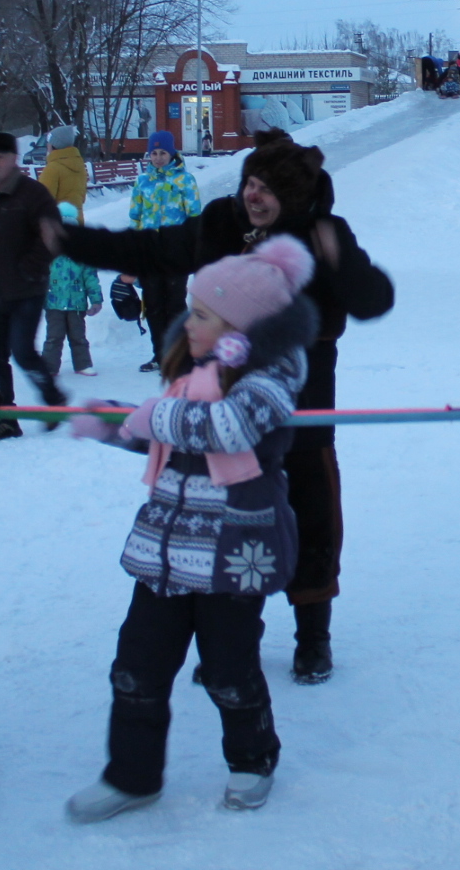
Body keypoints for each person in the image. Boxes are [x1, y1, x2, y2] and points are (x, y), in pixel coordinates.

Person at [51, 130, 394, 685]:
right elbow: (151, 249)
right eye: (250, 183)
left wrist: (341, 263)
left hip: (298, 407)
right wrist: (72, 242)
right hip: (217, 402)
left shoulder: (322, 232)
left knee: (311, 515)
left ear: (296, 197)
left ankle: (313, 635)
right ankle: (231, 641)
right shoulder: (218, 223)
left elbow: (374, 300)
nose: (253, 195)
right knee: (224, 523)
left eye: (267, 189)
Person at [62, 236, 318, 822]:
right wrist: (111, 424)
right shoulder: (194, 378)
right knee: (136, 668)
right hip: (166, 553)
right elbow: (171, 439)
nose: (187, 322)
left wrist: (150, 416)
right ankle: (132, 775)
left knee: (230, 672)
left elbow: (228, 430)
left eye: (202, 313)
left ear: (241, 329)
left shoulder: (270, 382)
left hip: (230, 556)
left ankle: (252, 760)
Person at [0, 132, 66, 442]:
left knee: (22, 351)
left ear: (13, 159)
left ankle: (53, 398)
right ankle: (5, 417)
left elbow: (51, 236)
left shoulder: (33, 195)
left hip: (26, 291)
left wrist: (29, 268)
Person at [127, 129, 203, 373]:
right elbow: (135, 218)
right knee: (153, 305)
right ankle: (159, 355)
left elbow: (194, 217)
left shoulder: (185, 180)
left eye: (162, 153)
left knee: (175, 304)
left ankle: (179, 354)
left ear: (172, 153)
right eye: (153, 153)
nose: (158, 158)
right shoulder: (142, 182)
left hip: (176, 253)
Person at [43, 203, 102, 378]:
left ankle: (83, 364)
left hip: (77, 303)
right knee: (54, 337)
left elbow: (90, 276)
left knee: (78, 337)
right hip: (54, 302)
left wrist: (96, 299)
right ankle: (49, 367)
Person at [38, 124, 88, 216]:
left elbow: (42, 203)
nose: (47, 145)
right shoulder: (80, 166)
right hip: (77, 221)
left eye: (48, 142)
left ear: (54, 145)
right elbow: (82, 198)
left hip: (57, 224)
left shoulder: (53, 169)